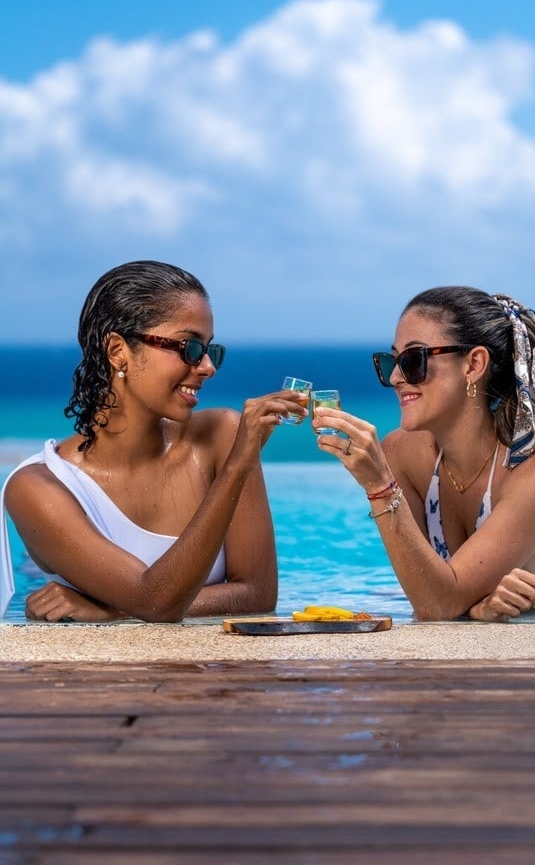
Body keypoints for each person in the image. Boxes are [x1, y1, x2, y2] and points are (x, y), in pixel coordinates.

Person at [0, 260, 308, 622]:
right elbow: (155, 602)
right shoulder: (37, 489)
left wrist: (113, 608)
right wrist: (239, 463)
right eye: (189, 348)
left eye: (211, 350)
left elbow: (257, 595)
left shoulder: (222, 436)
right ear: (118, 351)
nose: (208, 366)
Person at [313, 286, 535, 621]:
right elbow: (429, 593)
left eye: (413, 360)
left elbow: (437, 605)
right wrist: (476, 607)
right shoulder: (405, 455)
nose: (395, 377)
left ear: (474, 364)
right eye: (391, 360)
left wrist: (379, 486)